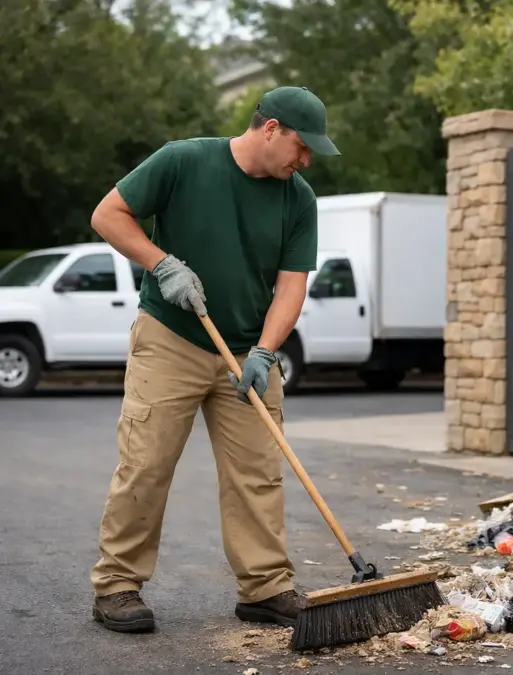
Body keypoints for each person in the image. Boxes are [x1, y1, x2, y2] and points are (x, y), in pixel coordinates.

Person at [87, 86, 341, 633]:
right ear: (270, 128)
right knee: (147, 463)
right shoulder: (183, 161)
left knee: (258, 472)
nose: (306, 160)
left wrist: (267, 352)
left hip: (248, 348)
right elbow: (108, 215)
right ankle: (117, 584)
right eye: (302, 146)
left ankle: (265, 587)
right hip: (171, 338)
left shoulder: (298, 198)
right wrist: (161, 264)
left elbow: (291, 286)